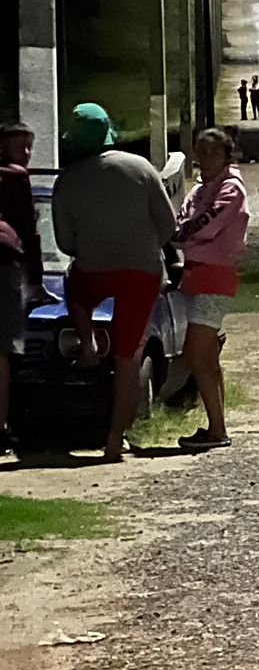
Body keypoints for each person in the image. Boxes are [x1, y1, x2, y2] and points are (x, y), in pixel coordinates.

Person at [52, 103, 176, 462]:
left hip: (93, 270)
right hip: (141, 273)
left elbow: (65, 244)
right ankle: (113, 442)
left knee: (74, 288)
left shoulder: (68, 180)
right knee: (127, 360)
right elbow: (168, 225)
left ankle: (88, 345)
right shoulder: (140, 168)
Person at [169, 128, 248, 451]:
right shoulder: (199, 190)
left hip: (215, 276)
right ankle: (217, 427)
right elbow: (182, 220)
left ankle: (217, 428)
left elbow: (203, 225)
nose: (205, 159)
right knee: (208, 357)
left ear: (226, 156)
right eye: (201, 152)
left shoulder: (232, 190)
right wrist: (183, 234)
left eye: (213, 153)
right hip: (194, 273)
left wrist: (183, 235)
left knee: (195, 353)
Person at [0, 122, 50, 455]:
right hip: (5, 262)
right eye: (22, 147)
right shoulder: (16, 176)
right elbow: (29, 231)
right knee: (3, 346)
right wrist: (36, 280)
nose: (27, 154)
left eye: (30, 147)